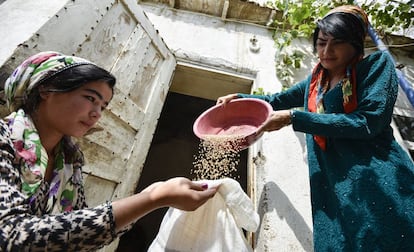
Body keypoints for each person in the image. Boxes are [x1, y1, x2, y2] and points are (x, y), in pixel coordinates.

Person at [217, 5, 414, 251]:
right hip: (331, 185)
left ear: (355, 43)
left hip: (378, 180)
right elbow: (275, 101)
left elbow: (368, 122)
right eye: (321, 42)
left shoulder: (375, 67)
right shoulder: (315, 83)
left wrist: (294, 118)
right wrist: (239, 98)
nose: (327, 51)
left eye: (337, 43)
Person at [0, 51, 218, 251]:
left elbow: (77, 233)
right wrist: (152, 199)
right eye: (90, 98)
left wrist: (148, 195)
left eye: (103, 106)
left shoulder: (68, 160)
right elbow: (11, 235)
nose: (96, 113)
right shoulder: (4, 138)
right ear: (46, 90)